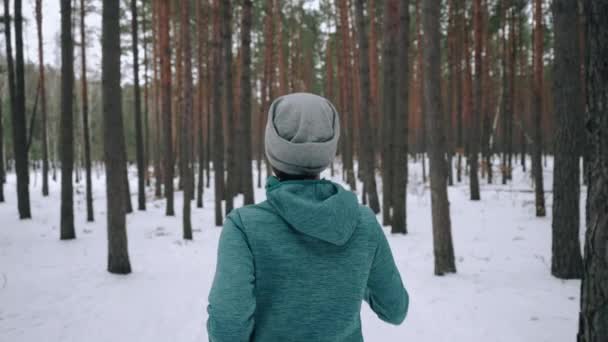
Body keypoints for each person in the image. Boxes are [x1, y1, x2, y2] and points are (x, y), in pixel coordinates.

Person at [207, 93, 409, 341]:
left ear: (272, 148)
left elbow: (228, 328)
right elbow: (395, 309)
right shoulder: (362, 222)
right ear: (329, 149)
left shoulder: (244, 227)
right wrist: (352, 269)